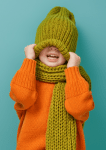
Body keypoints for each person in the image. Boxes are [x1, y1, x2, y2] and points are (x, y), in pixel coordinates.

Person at [9, 6, 95, 150]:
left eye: (61, 45)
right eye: (47, 43)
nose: (54, 48)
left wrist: (73, 70)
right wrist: (29, 60)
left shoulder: (77, 78)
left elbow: (79, 110)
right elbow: (23, 97)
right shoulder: (29, 73)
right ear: (37, 47)